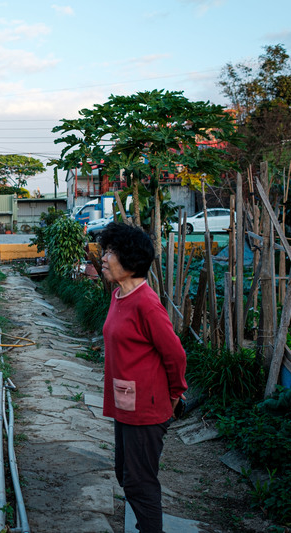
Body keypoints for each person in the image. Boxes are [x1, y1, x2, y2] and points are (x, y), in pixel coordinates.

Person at [97, 222, 187, 533]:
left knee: (139, 482)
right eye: (105, 251)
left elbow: (175, 355)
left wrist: (174, 394)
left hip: (146, 409)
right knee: (126, 474)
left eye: (111, 252)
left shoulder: (147, 304)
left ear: (130, 261)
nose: (104, 258)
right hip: (125, 403)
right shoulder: (119, 296)